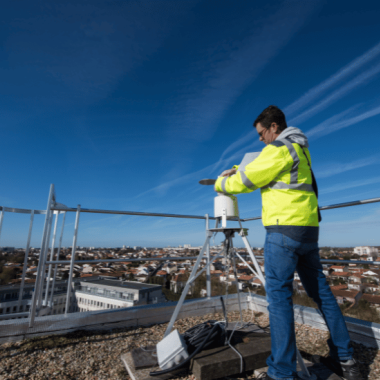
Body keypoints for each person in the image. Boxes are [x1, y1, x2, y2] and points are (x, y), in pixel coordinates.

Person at [214, 105, 361, 380]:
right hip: (308, 230)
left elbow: (246, 181)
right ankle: (346, 361)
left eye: (261, 133)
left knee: (279, 300)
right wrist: (237, 167)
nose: (260, 139)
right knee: (323, 295)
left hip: (283, 231)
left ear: (273, 127)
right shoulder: (299, 149)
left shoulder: (279, 148)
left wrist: (221, 184)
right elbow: (263, 166)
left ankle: (281, 372)